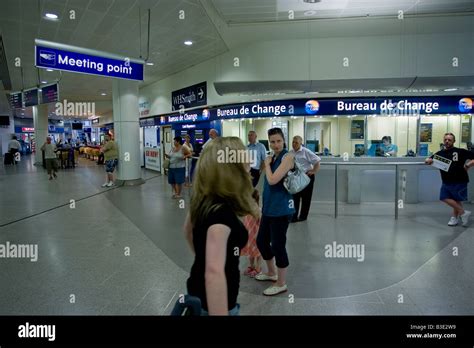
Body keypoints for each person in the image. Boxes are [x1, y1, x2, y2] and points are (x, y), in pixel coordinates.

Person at [183, 137, 259, 315]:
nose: (250, 168)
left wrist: (204, 256)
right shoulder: (222, 217)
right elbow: (214, 273)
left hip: (196, 290)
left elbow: (187, 231)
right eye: (246, 165)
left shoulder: (205, 200)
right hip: (216, 305)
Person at [255, 127, 295, 296]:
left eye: (278, 141)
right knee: (261, 242)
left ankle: (281, 282)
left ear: (284, 140)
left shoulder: (288, 157)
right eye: (272, 142)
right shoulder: (274, 157)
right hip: (269, 208)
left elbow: (272, 180)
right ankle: (271, 273)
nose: (276, 144)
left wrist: (266, 164)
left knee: (278, 245)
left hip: (282, 209)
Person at [425, 132, 474, 227]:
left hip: (460, 180)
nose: (447, 141)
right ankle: (463, 213)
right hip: (446, 181)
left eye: (449, 140)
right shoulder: (440, 153)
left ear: (454, 141)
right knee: (444, 197)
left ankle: (455, 217)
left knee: (457, 200)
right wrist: (428, 160)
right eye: (445, 140)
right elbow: (429, 160)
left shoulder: (461, 151)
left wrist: (468, 165)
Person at [289, 135, 321, 222]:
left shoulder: (305, 151)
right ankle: (294, 216)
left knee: (306, 198)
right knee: (295, 197)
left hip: (307, 177)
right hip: (296, 178)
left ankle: (303, 216)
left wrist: (313, 171)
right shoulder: (291, 152)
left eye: (296, 142)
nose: (294, 144)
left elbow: (317, 161)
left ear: (300, 143)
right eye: (293, 142)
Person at [241, 189, 262, 278]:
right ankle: (251, 266)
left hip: (255, 235)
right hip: (248, 235)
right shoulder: (246, 210)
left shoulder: (258, 210)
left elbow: (260, 224)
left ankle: (258, 268)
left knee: (258, 252)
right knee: (250, 252)